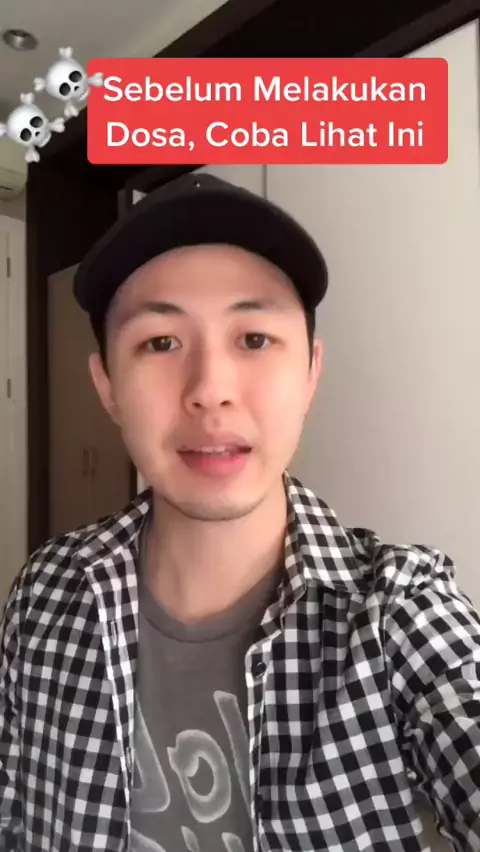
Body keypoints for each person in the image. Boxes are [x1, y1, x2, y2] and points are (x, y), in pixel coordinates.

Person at [1, 172, 480, 852]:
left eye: (253, 339)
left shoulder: (399, 608)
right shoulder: (48, 590)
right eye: (160, 342)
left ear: (310, 373)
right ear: (107, 387)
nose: (210, 390)